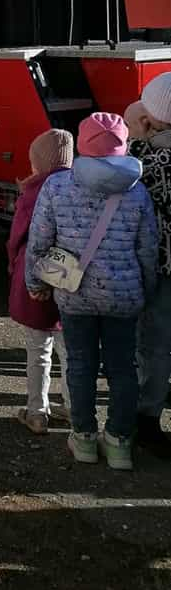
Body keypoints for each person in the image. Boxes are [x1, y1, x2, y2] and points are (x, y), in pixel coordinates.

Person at [25, 112, 158, 470]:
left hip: (75, 294)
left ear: (83, 145)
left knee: (81, 365)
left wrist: (35, 283)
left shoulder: (57, 186)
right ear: (123, 145)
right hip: (124, 296)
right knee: (123, 369)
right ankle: (118, 444)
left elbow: (39, 241)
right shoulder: (137, 191)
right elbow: (148, 248)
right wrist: (146, 290)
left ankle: (83, 439)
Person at [7, 130, 74, 434]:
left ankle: (37, 412)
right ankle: (74, 407)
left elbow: (17, 238)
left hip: (34, 277)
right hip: (70, 279)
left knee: (38, 349)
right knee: (70, 349)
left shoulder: (32, 193)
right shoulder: (79, 189)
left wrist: (13, 264)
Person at [128, 75, 171, 459]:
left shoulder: (147, 160)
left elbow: (121, 174)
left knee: (154, 345)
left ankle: (146, 417)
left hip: (158, 265)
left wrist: (136, 135)